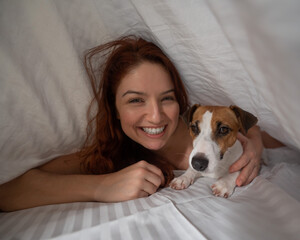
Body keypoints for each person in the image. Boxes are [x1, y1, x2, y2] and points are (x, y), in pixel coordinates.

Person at [0, 35, 283, 212]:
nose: (156, 116)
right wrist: (102, 187)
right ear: (114, 109)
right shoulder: (110, 154)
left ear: (181, 102)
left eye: (167, 98)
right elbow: (9, 194)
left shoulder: (211, 125)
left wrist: (255, 140)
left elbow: (278, 138)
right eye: (136, 100)